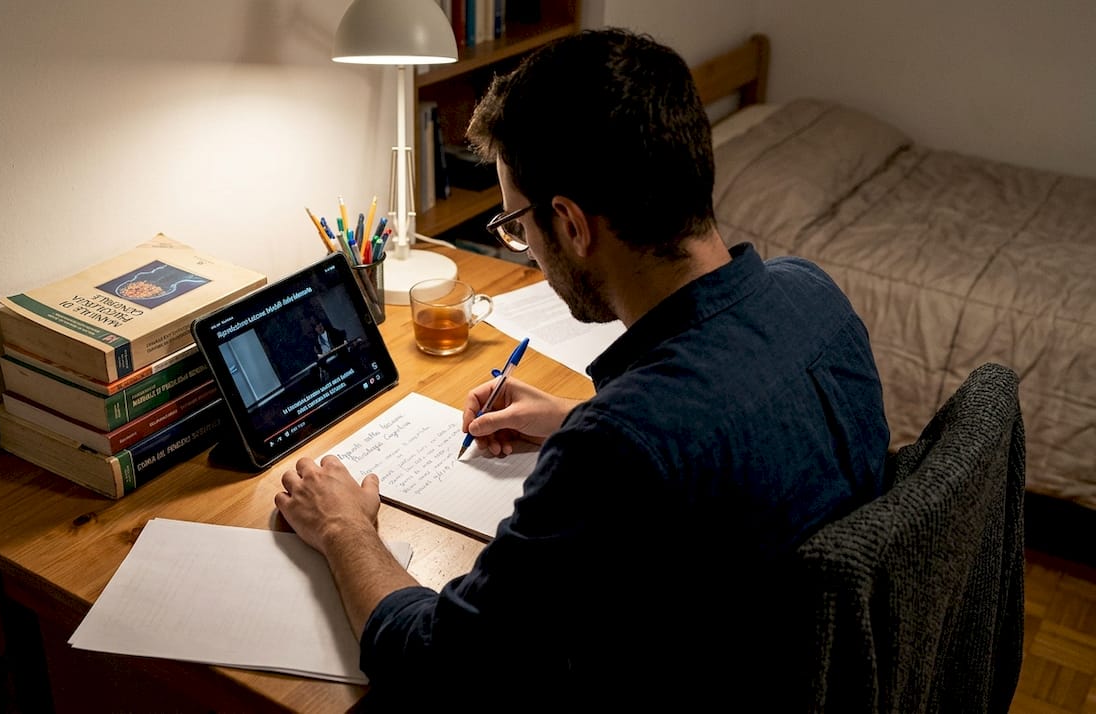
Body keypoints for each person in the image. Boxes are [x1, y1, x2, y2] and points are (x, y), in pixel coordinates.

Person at [275, 28, 890, 711]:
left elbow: (439, 669)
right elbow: (736, 443)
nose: (525, 247)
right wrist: (571, 419)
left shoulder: (620, 447)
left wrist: (342, 530)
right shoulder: (815, 296)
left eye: (515, 226)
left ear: (569, 223)